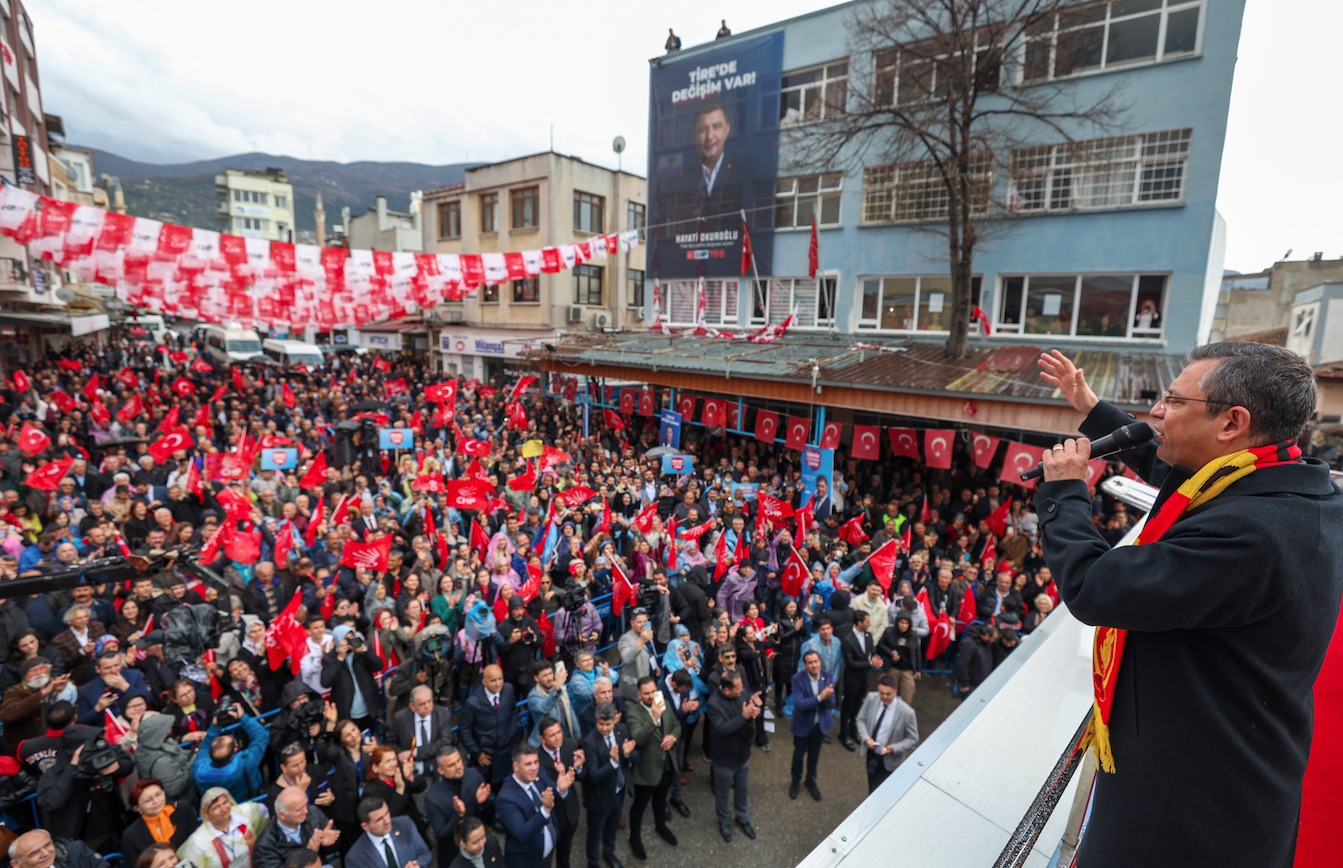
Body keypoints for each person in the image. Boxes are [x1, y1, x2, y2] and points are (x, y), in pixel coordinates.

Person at [1036, 344, 1343, 868]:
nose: (1156, 412)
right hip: (1217, 770)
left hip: (1185, 809)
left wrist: (1064, 494)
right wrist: (1090, 406)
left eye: (1174, 401)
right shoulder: (1281, 482)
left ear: (1231, 423)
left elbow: (1095, 587)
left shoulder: (1253, 534)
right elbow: (1175, 468)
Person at [625, 676, 680, 859]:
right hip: (647, 772)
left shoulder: (663, 702)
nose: (651, 696)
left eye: (653, 692)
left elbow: (676, 725)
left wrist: (673, 737)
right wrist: (654, 717)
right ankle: (634, 839)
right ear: (639, 695)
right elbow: (638, 738)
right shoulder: (634, 714)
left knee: (660, 801)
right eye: (646, 693)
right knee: (639, 807)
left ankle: (660, 827)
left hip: (666, 766)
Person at [496, 742, 576, 868]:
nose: (534, 768)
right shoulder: (506, 798)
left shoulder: (539, 773)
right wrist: (545, 810)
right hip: (527, 861)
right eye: (528, 764)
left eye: (536, 762)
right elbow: (522, 833)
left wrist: (561, 789)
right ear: (515, 766)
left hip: (547, 852)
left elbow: (555, 791)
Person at [578, 702, 635, 868]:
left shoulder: (622, 730)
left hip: (618, 792)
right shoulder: (589, 742)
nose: (603, 728)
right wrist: (613, 761)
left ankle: (609, 854)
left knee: (612, 828)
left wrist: (626, 754)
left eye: (608, 724)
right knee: (595, 834)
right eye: (600, 724)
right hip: (599, 798)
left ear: (615, 720)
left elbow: (634, 756)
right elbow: (594, 776)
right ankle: (593, 862)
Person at [705, 670, 758, 842]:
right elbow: (722, 729)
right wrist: (743, 717)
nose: (742, 691)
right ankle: (724, 822)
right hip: (724, 760)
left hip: (743, 756)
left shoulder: (742, 695)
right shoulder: (714, 704)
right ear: (726, 690)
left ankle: (742, 818)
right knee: (723, 794)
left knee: (742, 790)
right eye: (738, 688)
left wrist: (751, 716)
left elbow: (747, 716)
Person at [424, 746, 491, 867]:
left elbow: (490, 808)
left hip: (479, 846)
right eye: (451, 765)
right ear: (440, 770)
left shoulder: (473, 775)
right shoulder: (433, 798)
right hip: (453, 854)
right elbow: (440, 834)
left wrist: (481, 803)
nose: (458, 766)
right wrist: (458, 815)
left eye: (459, 760)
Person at [192, 703, 271, 801]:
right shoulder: (245, 764)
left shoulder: (198, 769)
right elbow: (260, 736)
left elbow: (203, 748)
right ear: (235, 750)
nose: (230, 736)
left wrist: (215, 727)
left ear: (209, 755)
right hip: (247, 802)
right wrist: (243, 717)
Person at [176, 787, 271, 868]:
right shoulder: (199, 841)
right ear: (207, 814)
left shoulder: (245, 814)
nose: (223, 809)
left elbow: (264, 817)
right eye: (216, 807)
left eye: (225, 802)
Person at [458, 664, 518, 791]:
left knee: (500, 787)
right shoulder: (473, 702)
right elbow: (464, 731)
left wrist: (509, 735)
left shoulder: (508, 689)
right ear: (484, 682)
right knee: (482, 791)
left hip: (503, 753)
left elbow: (514, 711)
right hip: (484, 758)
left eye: (500, 679)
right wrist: (477, 753)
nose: (498, 684)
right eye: (493, 680)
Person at [856, 674, 919, 793]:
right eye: (881, 693)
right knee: (871, 783)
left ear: (895, 691)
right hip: (871, 754)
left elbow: (913, 738)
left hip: (890, 761)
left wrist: (894, 748)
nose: (884, 697)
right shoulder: (871, 698)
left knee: (879, 791)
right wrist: (866, 738)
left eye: (888, 694)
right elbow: (861, 720)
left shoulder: (907, 712)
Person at [536, 716, 584, 868]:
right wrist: (560, 784)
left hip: (570, 813)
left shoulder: (569, 745)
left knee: (565, 853)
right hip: (551, 817)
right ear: (542, 739)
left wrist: (577, 767)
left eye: (559, 732)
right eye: (552, 735)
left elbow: (578, 777)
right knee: (546, 857)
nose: (558, 738)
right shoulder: (536, 760)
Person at [788, 650, 836, 801]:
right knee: (798, 756)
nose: (814, 665)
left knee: (814, 756)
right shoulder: (797, 679)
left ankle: (811, 780)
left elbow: (832, 703)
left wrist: (826, 699)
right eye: (810, 662)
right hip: (802, 726)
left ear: (820, 661)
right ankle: (795, 781)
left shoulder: (827, 676)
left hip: (819, 726)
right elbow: (799, 704)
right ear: (805, 665)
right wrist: (820, 697)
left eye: (816, 661)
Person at [251, 787, 339, 868]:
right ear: (282, 815)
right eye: (299, 809)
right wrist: (308, 853)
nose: (306, 811)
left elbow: (334, 848)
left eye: (305, 804)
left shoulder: (314, 813)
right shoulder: (264, 846)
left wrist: (328, 844)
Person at [120, 778, 198, 868]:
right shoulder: (131, 835)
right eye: (148, 800)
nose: (156, 801)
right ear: (138, 808)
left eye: (158, 794)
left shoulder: (182, 809)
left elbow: (196, 841)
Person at [838, 610, 882, 750]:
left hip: (864, 678)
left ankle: (853, 730)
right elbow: (850, 662)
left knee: (857, 707)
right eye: (867, 621)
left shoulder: (868, 636)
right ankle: (843, 734)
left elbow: (872, 652)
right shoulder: (848, 640)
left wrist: (876, 660)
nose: (870, 623)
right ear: (859, 623)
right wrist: (870, 664)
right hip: (852, 679)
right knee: (847, 708)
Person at [387, 684, 454, 776]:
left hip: (437, 770)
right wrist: (402, 756)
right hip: (411, 773)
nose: (427, 706)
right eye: (422, 704)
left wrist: (414, 753)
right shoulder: (401, 718)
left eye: (430, 701)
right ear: (412, 706)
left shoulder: (442, 715)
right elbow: (391, 742)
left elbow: (445, 742)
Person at [346, 797, 431, 868]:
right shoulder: (355, 857)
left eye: (387, 813)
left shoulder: (405, 824)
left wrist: (418, 865)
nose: (387, 821)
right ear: (365, 826)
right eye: (379, 819)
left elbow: (424, 853)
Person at [527, 659, 580, 746]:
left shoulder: (560, 687)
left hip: (566, 737)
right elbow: (545, 708)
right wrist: (556, 689)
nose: (549, 678)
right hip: (548, 743)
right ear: (536, 678)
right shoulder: (533, 696)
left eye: (550, 674)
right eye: (544, 676)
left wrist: (577, 736)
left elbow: (570, 712)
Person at [616, 610, 658, 702]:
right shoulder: (625, 639)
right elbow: (626, 658)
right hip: (634, 688)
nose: (643, 624)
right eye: (639, 622)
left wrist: (655, 667)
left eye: (645, 622)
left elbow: (650, 652)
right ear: (632, 623)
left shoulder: (647, 633)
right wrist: (642, 641)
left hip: (649, 682)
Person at [7, 830, 107, 868]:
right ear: (16, 864)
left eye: (47, 845)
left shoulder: (76, 851)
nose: (46, 853)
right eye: (34, 853)